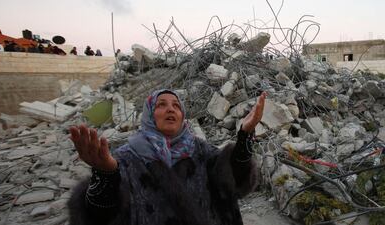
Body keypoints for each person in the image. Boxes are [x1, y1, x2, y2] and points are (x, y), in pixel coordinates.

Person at [68, 89, 267, 225]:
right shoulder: (126, 158)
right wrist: (105, 176)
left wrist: (244, 139)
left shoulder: (200, 150)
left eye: (176, 106)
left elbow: (232, 184)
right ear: (148, 115)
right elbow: (99, 216)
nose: (170, 109)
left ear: (182, 116)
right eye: (161, 105)